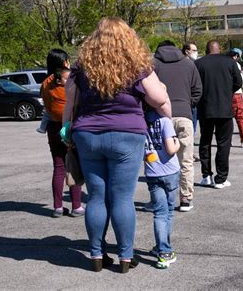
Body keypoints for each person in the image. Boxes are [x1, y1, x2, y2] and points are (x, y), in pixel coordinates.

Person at [62, 17, 171, 273]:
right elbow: (158, 98)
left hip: (87, 135)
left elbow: (69, 103)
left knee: (97, 197)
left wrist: (66, 130)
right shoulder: (137, 64)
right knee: (122, 197)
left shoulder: (81, 67)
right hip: (127, 134)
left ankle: (97, 255)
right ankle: (124, 257)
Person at [154, 40, 202, 212]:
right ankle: (186, 199)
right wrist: (188, 105)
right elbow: (198, 89)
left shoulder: (153, 65)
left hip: (160, 117)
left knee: (159, 161)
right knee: (186, 161)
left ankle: (162, 199)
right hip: (184, 115)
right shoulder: (189, 64)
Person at [40, 49, 83, 218]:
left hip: (52, 127)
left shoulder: (45, 83)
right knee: (73, 165)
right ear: (64, 61)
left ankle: (57, 207)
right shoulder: (71, 78)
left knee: (58, 167)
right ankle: (77, 206)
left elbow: (47, 106)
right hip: (70, 127)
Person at [194, 40, 241, 189]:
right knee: (223, 143)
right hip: (224, 108)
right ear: (219, 49)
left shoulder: (198, 63)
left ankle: (206, 175)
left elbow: (194, 85)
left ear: (207, 49)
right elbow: (238, 82)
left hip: (205, 108)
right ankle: (221, 178)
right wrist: (228, 92)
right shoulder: (229, 62)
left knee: (205, 142)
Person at [143, 107, 180, 269]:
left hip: (152, 172)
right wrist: (178, 142)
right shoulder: (165, 121)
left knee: (159, 213)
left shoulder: (140, 122)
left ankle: (162, 247)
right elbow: (171, 149)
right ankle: (164, 250)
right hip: (170, 170)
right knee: (169, 211)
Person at [182, 41, 200, 134]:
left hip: (192, 102)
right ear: (186, 51)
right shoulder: (183, 64)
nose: (196, 52)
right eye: (194, 50)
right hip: (186, 102)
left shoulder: (194, 64)